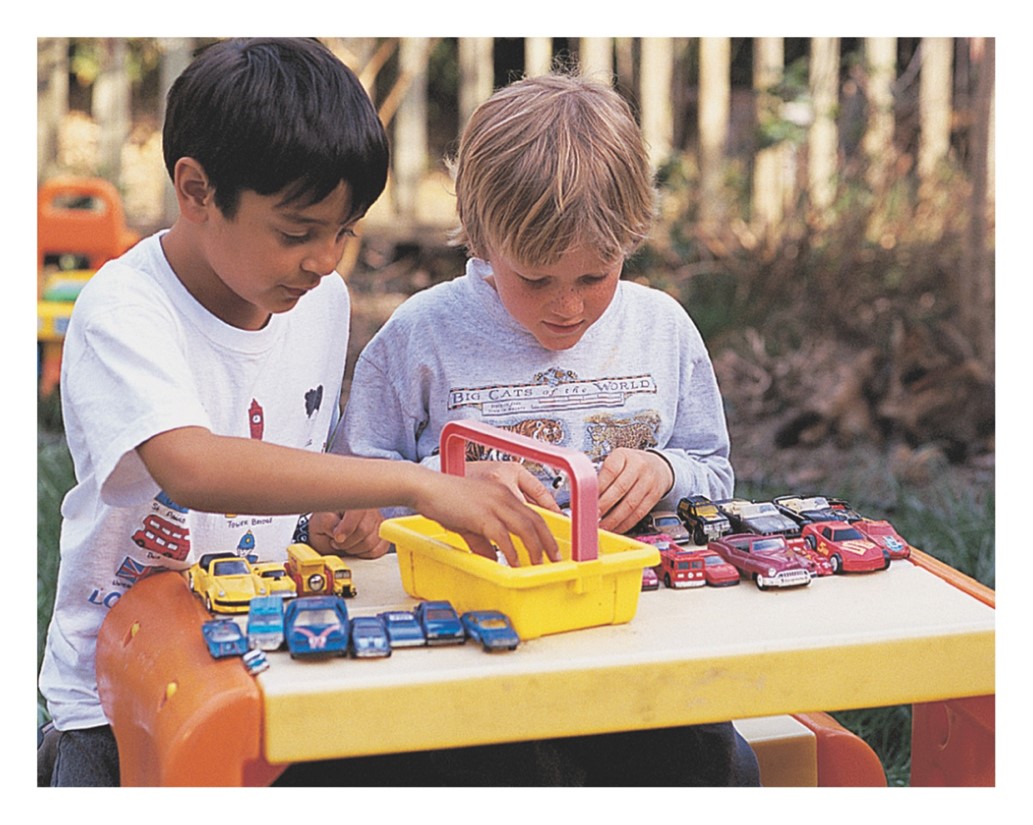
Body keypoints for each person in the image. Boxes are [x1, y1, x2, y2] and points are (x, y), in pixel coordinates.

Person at [37, 38, 557, 788]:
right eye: (297, 232)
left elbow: (278, 472)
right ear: (196, 190)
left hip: (268, 670)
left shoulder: (318, 304)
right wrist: (413, 482)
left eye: (343, 231)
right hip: (126, 697)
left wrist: (333, 519)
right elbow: (192, 466)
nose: (326, 260)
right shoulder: (124, 310)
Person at [313, 73, 758, 786]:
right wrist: (435, 486)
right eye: (536, 278)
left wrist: (667, 472)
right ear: (481, 237)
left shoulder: (660, 329)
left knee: (714, 762)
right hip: (471, 644)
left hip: (633, 638)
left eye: (595, 275)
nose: (568, 307)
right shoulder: (419, 339)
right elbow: (350, 505)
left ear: (629, 242)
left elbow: (713, 471)